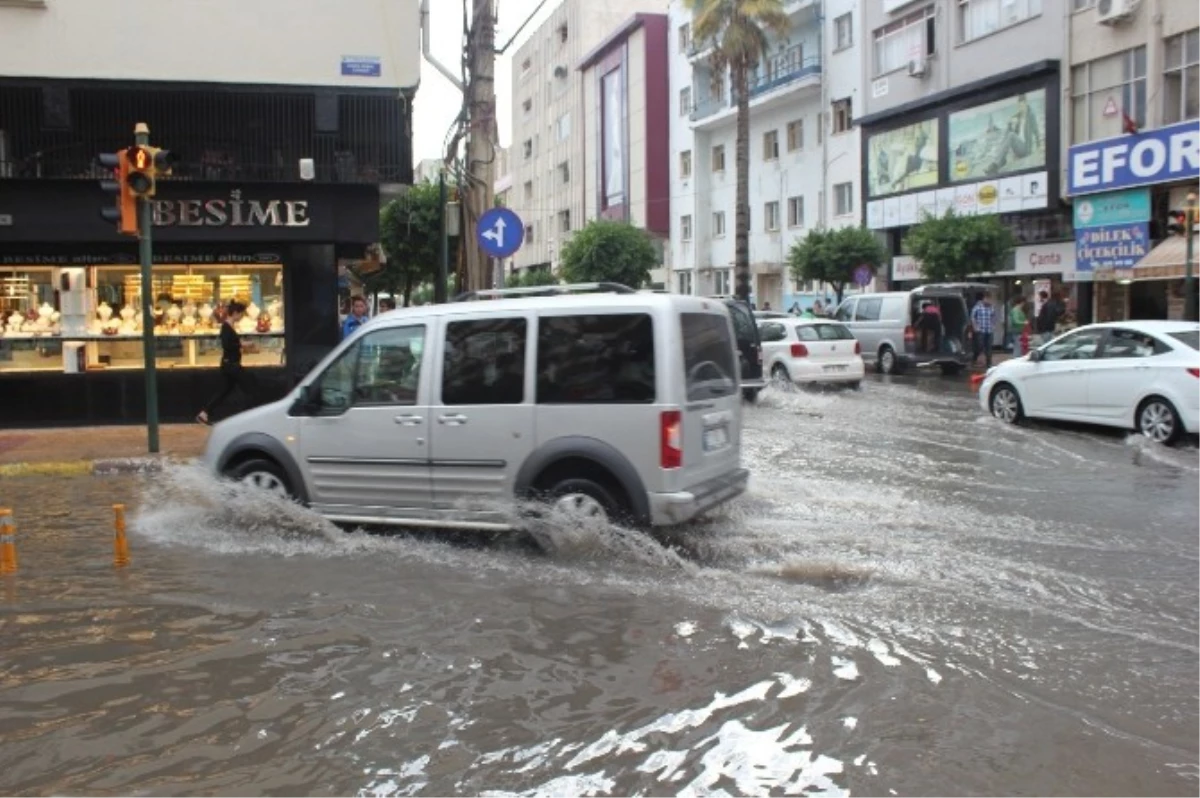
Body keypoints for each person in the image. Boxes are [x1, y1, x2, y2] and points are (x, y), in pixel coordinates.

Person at [196, 300, 254, 425]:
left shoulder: (230, 327)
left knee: (224, 391)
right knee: (249, 387)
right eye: (241, 314)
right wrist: (243, 344)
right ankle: (248, 417)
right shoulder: (226, 327)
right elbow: (227, 345)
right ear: (235, 313)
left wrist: (241, 346)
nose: (241, 316)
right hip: (231, 365)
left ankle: (204, 414)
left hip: (230, 364)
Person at [970, 293, 996, 368]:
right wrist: (975, 326)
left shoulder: (991, 307)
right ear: (984, 299)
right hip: (980, 330)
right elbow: (972, 317)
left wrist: (993, 325)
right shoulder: (978, 307)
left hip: (989, 330)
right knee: (979, 346)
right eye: (987, 299)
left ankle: (989, 363)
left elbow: (993, 316)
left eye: (990, 299)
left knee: (989, 347)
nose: (989, 301)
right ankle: (975, 358)